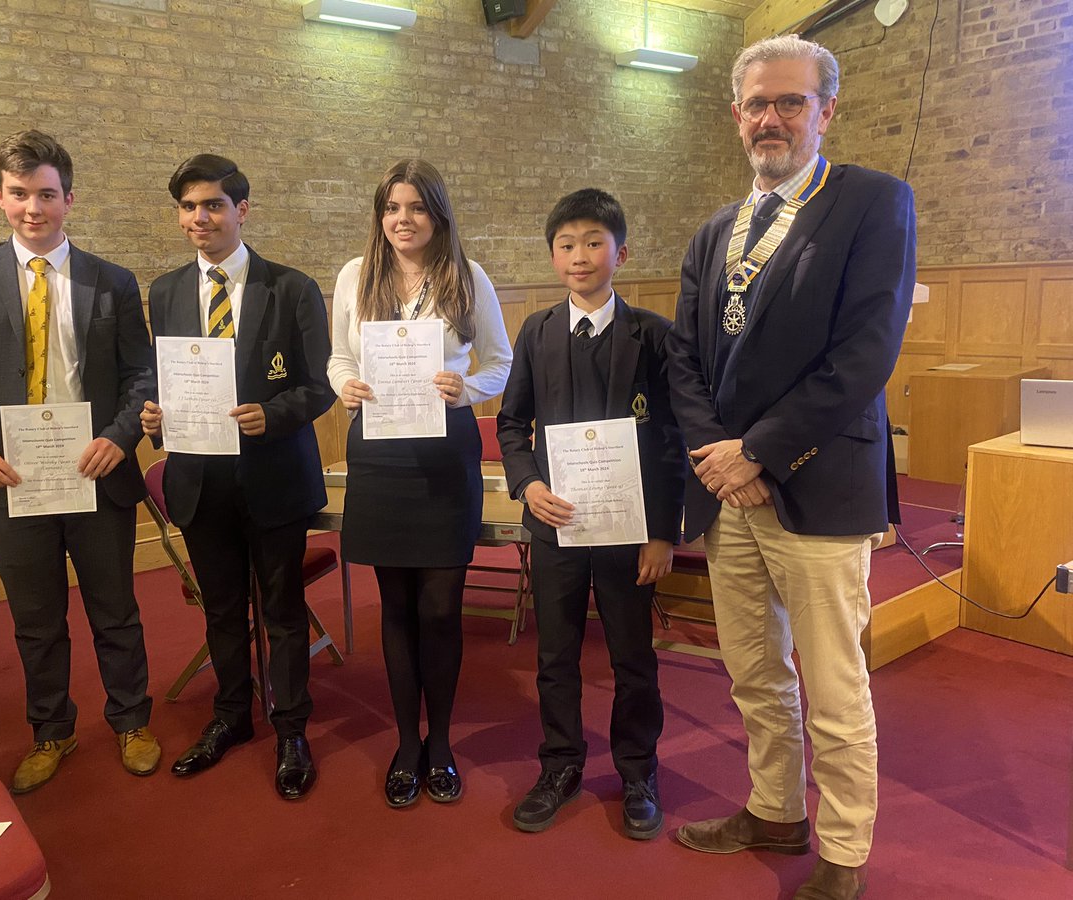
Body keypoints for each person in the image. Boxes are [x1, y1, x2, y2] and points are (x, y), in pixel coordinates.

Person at [666, 35, 916, 899]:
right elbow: (683, 363)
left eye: (791, 103)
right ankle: (774, 809)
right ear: (736, 116)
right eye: (756, 104)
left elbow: (865, 354)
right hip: (730, 496)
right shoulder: (711, 235)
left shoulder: (872, 202)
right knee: (754, 673)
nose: (771, 118)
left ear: (825, 111)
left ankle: (844, 852)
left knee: (835, 685)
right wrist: (721, 462)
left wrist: (760, 451)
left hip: (818, 486)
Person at [0, 130, 160, 793]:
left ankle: (131, 721)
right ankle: (51, 731)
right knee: (35, 622)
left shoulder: (110, 280)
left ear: (69, 198)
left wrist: (121, 436)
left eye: (47, 194)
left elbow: (139, 376)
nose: (34, 208)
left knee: (115, 610)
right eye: (20, 194)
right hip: (13, 482)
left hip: (97, 473)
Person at [141, 154, 334, 799]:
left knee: (280, 610)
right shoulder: (165, 291)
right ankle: (229, 718)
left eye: (214, 205)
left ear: (241, 211)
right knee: (222, 611)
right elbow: (165, 380)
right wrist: (156, 420)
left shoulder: (292, 287)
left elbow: (321, 386)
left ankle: (291, 730)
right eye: (189, 207)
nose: (201, 217)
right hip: (199, 480)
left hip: (274, 476)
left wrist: (272, 414)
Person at [497, 188, 686, 839]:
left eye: (594, 242)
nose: (580, 256)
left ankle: (638, 770)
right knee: (557, 655)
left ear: (621, 252)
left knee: (634, 657)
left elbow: (671, 441)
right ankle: (560, 766)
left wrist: (663, 532)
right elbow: (512, 422)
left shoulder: (654, 336)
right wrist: (525, 485)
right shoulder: (537, 331)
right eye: (567, 245)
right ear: (554, 256)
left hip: (630, 534)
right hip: (557, 527)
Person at [327, 159, 512, 807]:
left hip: (443, 454)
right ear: (381, 215)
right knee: (397, 609)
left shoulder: (468, 276)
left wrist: (469, 389)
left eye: (416, 208)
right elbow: (339, 357)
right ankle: (409, 741)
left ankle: (443, 743)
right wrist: (341, 385)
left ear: (437, 214)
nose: (403, 220)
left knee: (439, 608)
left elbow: (501, 364)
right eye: (392, 208)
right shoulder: (356, 274)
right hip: (378, 454)